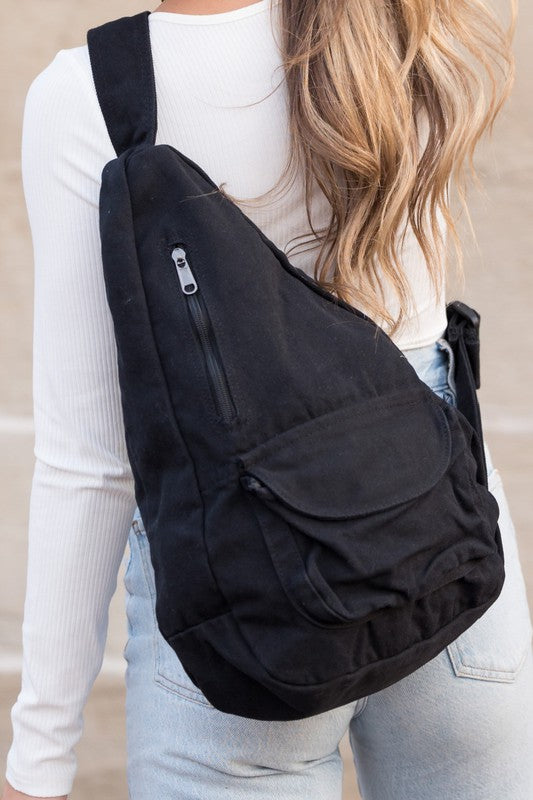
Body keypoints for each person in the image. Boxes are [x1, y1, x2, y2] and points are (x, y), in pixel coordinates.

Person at [3, 0, 533, 798]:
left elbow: (91, 461)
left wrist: (38, 759)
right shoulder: (392, 32)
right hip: (447, 561)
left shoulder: (90, 97)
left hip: (247, 611)